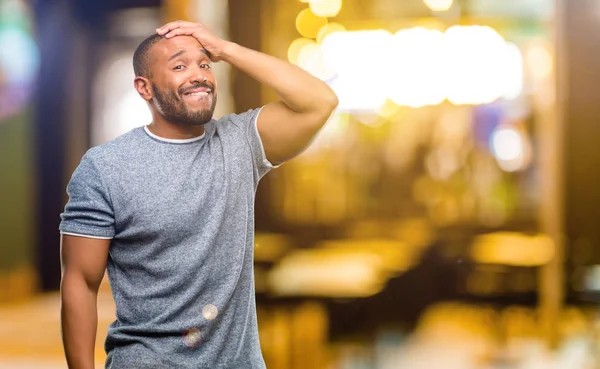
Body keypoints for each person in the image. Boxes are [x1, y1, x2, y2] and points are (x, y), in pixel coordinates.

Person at [59, 20, 338, 369]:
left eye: (204, 64)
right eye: (179, 66)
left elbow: (320, 101)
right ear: (144, 88)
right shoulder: (105, 167)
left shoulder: (240, 143)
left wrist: (226, 49)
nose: (199, 75)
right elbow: (80, 283)